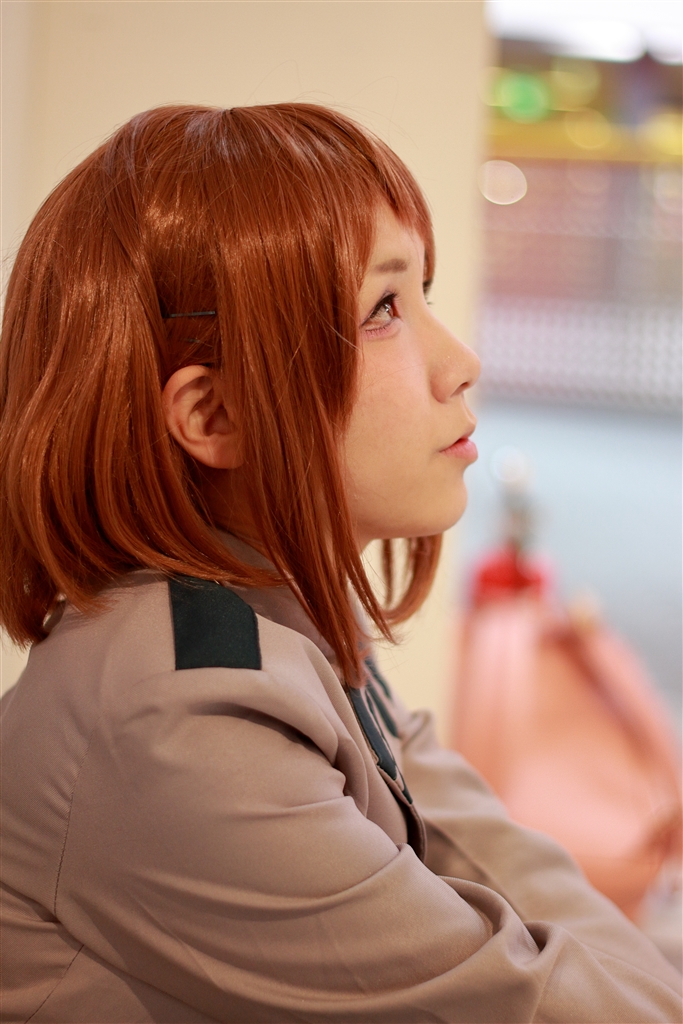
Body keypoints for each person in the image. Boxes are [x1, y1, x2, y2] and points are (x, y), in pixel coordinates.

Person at [0, 103, 680, 1024]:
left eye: (421, 292)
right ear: (214, 415)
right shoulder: (175, 722)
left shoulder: (267, 613)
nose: (461, 363)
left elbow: (479, 846)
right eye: (383, 310)